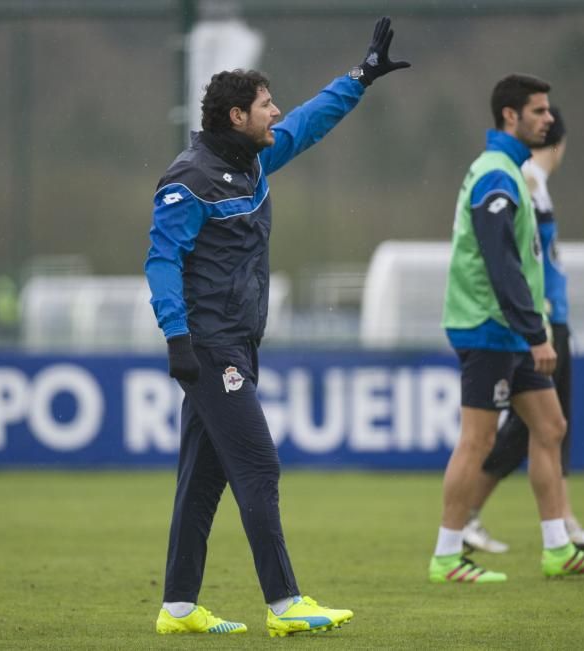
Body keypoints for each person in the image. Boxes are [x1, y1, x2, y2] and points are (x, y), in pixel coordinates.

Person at [145, 17, 409, 636]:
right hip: (211, 347)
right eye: (266, 104)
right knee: (259, 466)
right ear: (237, 116)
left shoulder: (250, 165)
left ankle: (178, 608)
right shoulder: (190, 180)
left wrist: (361, 77)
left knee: (203, 477)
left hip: (235, 340)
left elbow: (309, 123)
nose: (276, 112)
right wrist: (177, 337)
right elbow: (161, 261)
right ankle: (286, 603)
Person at [429, 75, 584, 584]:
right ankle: (446, 555)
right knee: (478, 440)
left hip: (511, 329)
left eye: (548, 111)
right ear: (510, 116)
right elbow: (499, 261)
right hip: (489, 327)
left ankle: (557, 547)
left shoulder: (511, 171)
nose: (549, 119)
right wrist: (536, 331)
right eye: (538, 111)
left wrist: (530, 330)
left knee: (550, 426)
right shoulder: (496, 174)